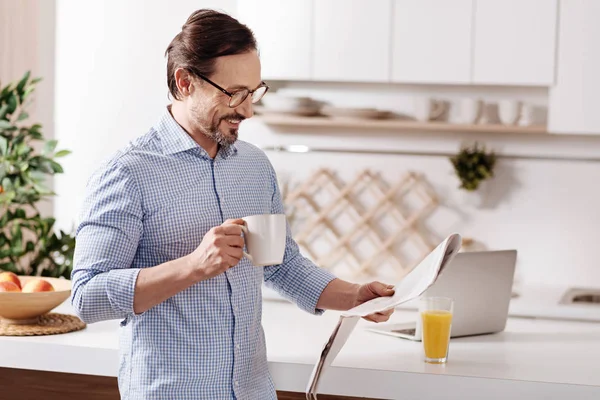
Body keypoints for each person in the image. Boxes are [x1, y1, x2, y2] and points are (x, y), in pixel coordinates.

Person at [71, 9, 395, 400]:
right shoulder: (127, 173)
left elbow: (282, 264)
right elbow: (87, 297)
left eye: (254, 92)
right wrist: (193, 266)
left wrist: (354, 296)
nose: (247, 109)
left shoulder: (254, 166)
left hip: (252, 391)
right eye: (234, 93)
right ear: (185, 82)